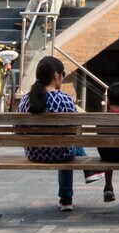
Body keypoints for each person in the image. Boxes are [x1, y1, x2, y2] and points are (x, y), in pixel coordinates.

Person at [21, 55, 83, 212]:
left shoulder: (26, 99)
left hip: (34, 154)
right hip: (61, 153)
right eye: (62, 74)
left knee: (66, 143)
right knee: (68, 144)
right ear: (56, 75)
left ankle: (67, 197)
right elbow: (76, 128)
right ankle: (67, 198)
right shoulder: (64, 99)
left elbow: (18, 127)